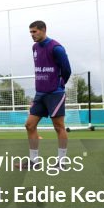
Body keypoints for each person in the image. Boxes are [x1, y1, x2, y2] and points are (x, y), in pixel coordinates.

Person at [25, 21, 71, 168]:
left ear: (43, 30)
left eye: (34, 32)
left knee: (58, 127)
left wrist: (59, 84)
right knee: (29, 125)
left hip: (55, 93)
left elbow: (67, 70)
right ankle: (34, 161)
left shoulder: (56, 48)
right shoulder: (34, 47)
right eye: (30, 32)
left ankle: (62, 162)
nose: (32, 35)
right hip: (40, 93)